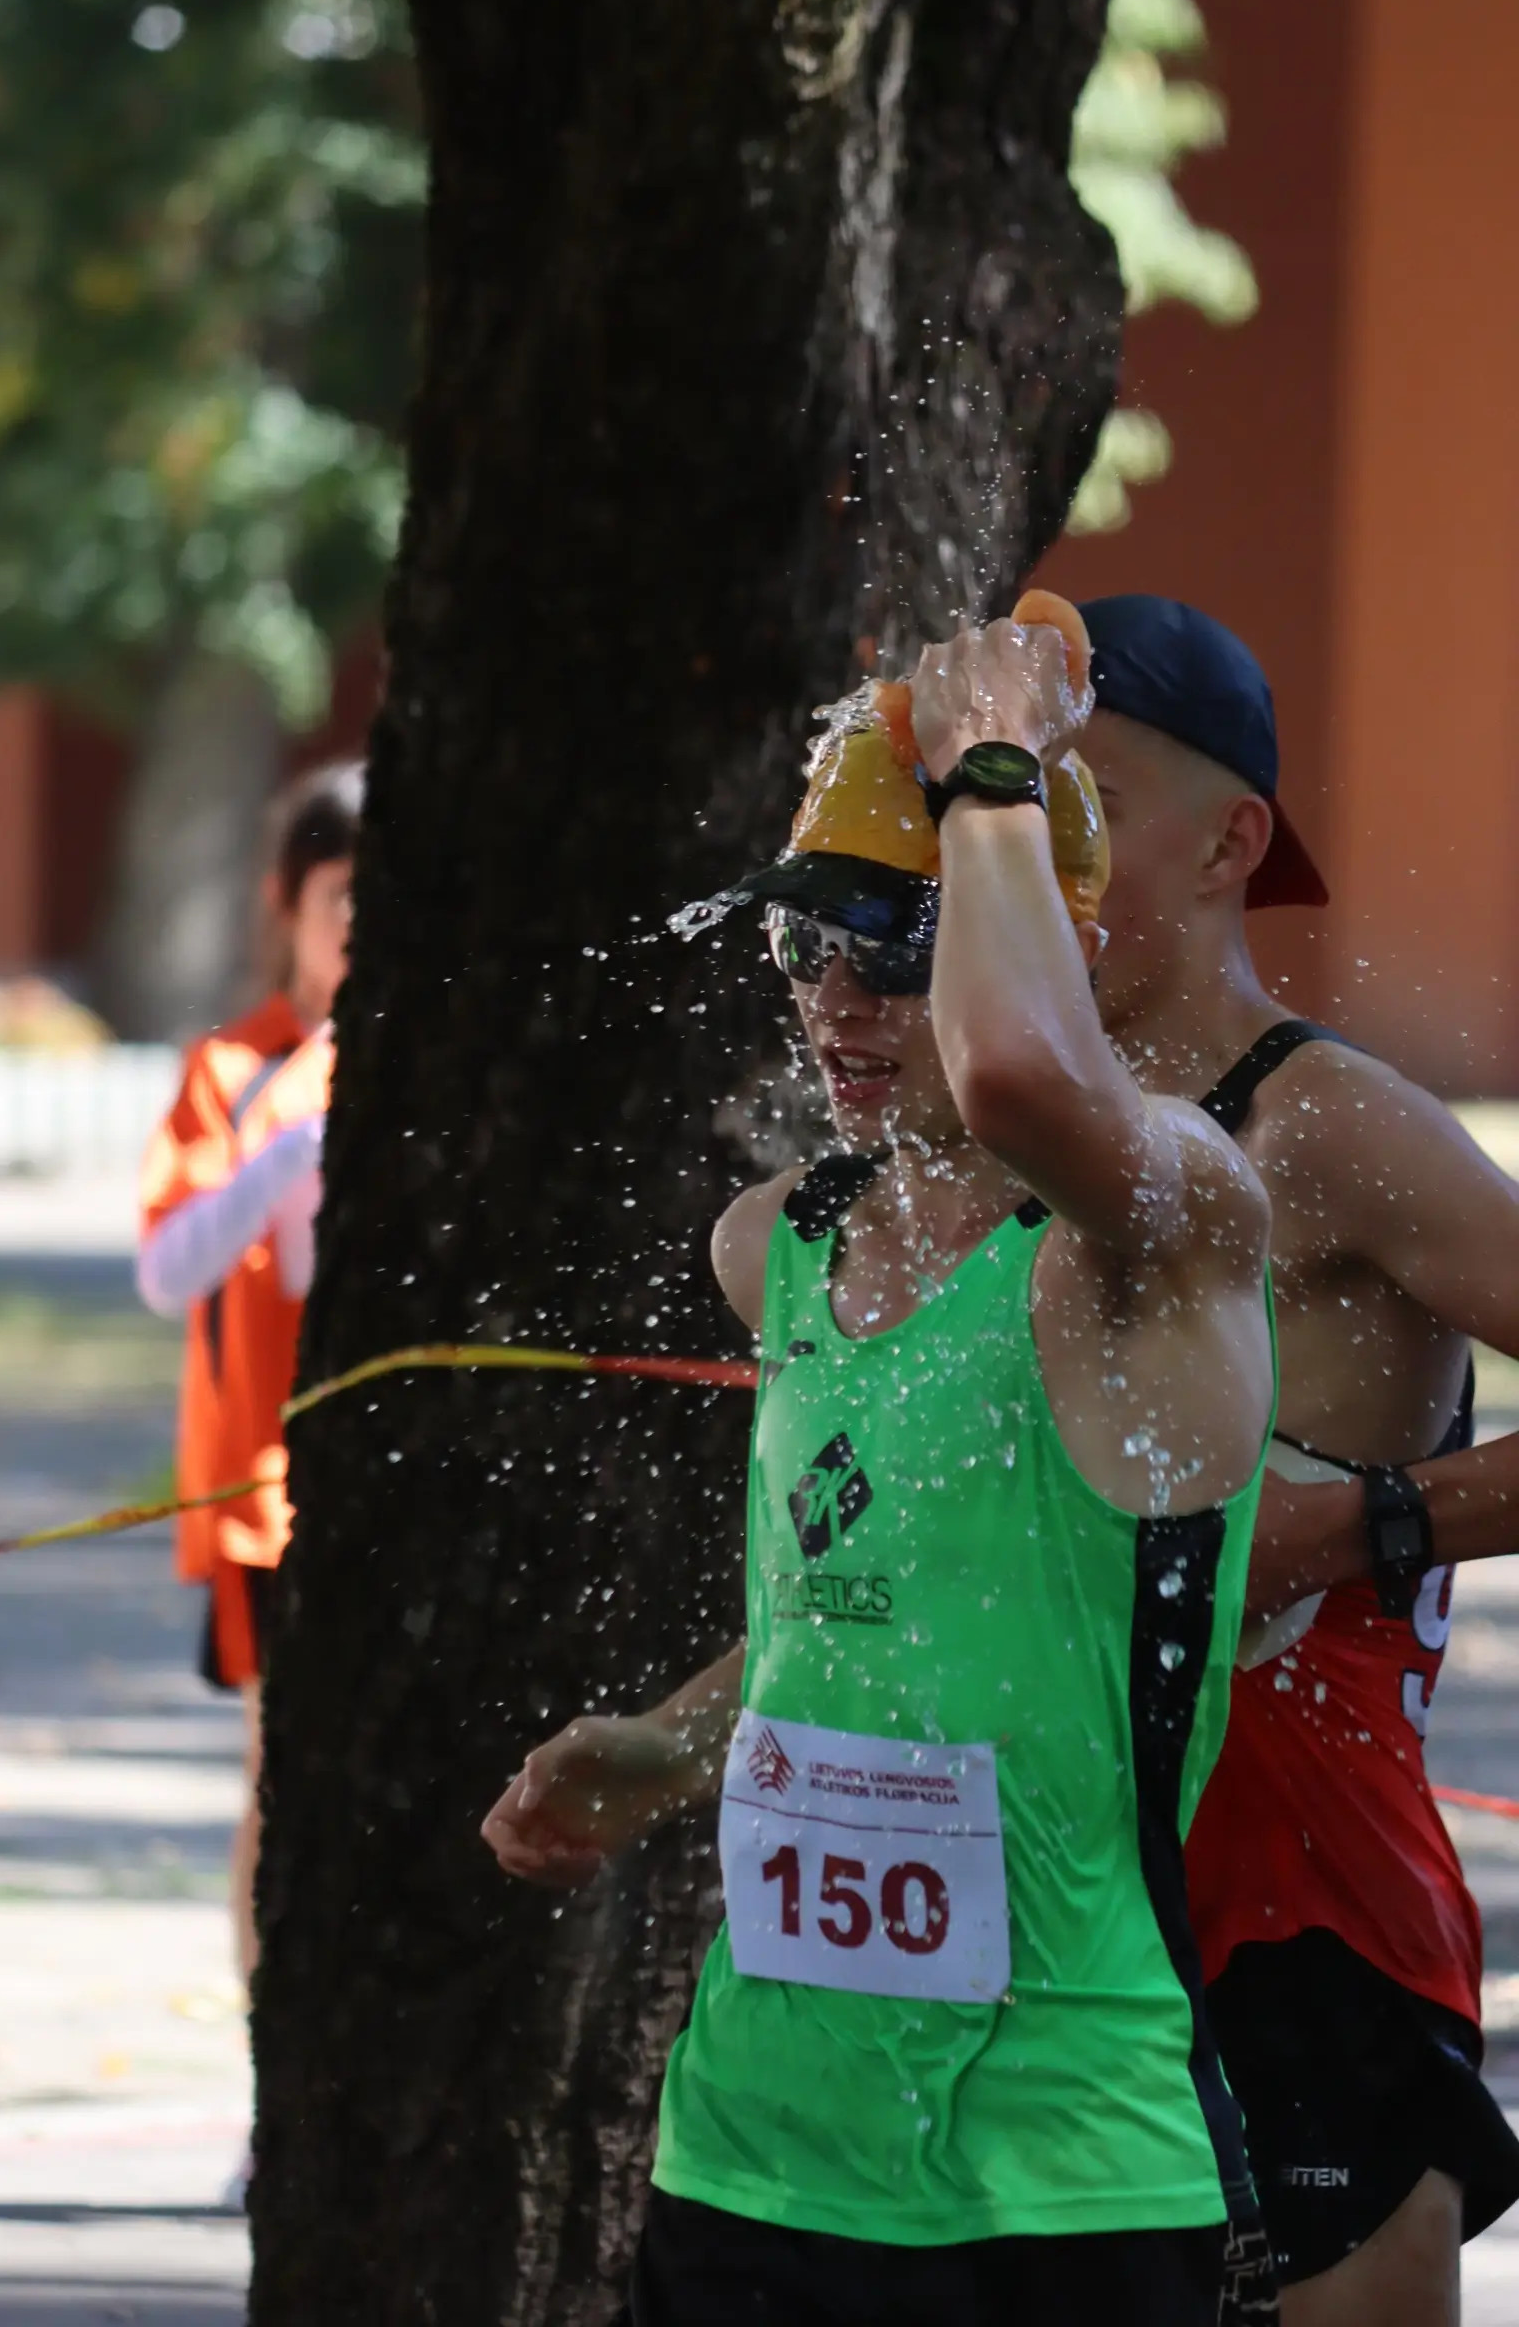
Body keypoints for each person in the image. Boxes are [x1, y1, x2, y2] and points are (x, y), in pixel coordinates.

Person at [487, 612, 1279, 2325]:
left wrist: (993, 760)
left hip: (1062, 2177)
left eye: (894, 947)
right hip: (755, 2148)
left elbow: (1015, 1075)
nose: (834, 1005)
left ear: (1036, 939)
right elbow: (880, 1603)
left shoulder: (1158, 1232)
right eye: (804, 948)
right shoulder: (778, 1247)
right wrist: (678, 1740)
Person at [1058, 595, 1519, 2327]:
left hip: (1306, 1932)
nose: (1035, 853)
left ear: (1231, 841)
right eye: (1014, 805)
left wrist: (1346, 1529)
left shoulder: (1315, 1120)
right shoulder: (1000, 1133)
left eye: (1085, 801)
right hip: (1056, 1931)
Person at [138, 761, 360, 1993]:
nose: (361, 926)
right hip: (260, 1499)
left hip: (382, 1474)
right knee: (280, 1786)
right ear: (287, 898)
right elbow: (172, 1268)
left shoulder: (430, 1068)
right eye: (340, 897)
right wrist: (285, 1157)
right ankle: (272, 2073)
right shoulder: (233, 1071)